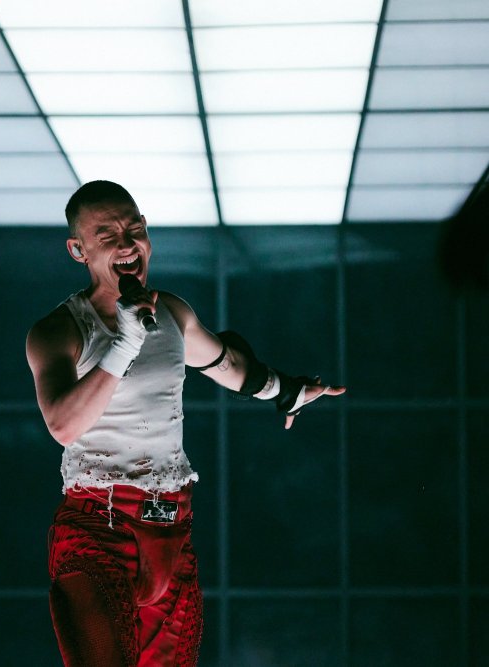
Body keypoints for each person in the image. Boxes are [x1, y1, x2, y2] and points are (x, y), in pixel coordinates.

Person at [25, 180, 346, 666]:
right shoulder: (58, 331)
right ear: (79, 250)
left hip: (171, 532)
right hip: (98, 531)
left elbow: (230, 364)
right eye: (107, 235)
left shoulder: (171, 312)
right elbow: (63, 426)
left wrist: (287, 392)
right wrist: (124, 343)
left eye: (135, 229)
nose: (127, 243)